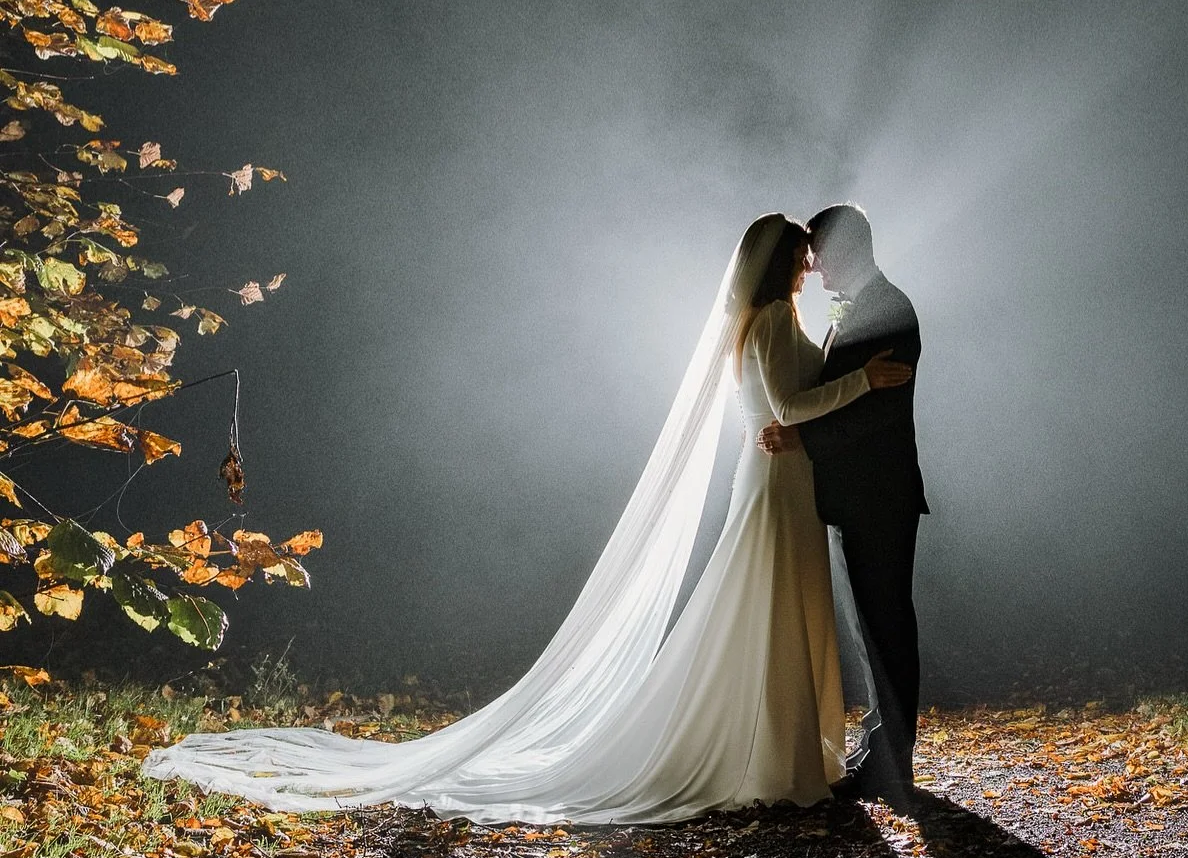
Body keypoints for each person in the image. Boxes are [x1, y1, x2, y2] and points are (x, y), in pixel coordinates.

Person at [143, 213, 911, 823]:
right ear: (779, 264)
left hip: (785, 475)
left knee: (778, 608)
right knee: (769, 609)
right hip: (777, 482)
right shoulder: (770, 320)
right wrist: (863, 383)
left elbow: (785, 410)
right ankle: (773, 757)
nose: (810, 265)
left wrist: (810, 414)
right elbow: (788, 407)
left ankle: (784, 751)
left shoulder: (771, 317)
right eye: (801, 256)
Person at [759, 203, 925, 806]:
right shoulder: (861, 306)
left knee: (886, 625)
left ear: (848, 247)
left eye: (820, 252)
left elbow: (876, 413)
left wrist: (804, 438)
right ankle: (882, 746)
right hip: (857, 495)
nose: (815, 265)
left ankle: (893, 762)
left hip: (879, 495)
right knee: (869, 627)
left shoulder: (890, 309)